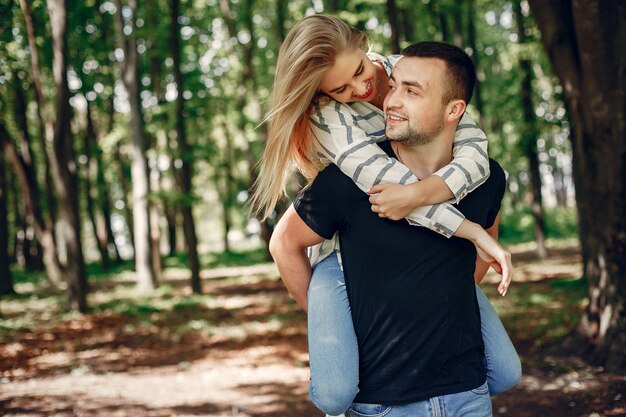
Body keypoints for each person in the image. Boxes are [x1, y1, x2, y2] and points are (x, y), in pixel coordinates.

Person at [252, 15, 521, 415]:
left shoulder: (411, 70)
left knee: (506, 371)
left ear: (365, 46)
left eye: (361, 72)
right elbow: (387, 185)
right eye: (340, 88)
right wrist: (343, 324)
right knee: (334, 392)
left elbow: (472, 151)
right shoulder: (329, 117)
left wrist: (443, 295)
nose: (361, 89)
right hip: (341, 255)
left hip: (423, 228)